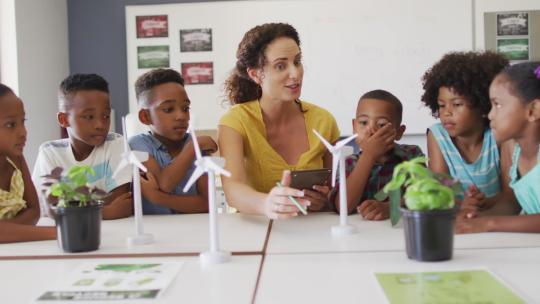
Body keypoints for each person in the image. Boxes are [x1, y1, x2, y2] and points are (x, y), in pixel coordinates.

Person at [219, 23, 340, 219]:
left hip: (315, 231)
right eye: (281, 66)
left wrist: (325, 198)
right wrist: (266, 203)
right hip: (258, 231)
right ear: (256, 74)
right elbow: (233, 189)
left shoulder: (323, 120)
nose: (296, 73)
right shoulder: (236, 121)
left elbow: (335, 186)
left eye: (297, 61)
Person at [32, 74, 132, 220]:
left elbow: (121, 199)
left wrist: (72, 206)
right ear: (64, 119)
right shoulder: (50, 152)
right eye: (89, 117)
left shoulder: (116, 143)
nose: (100, 125)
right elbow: (53, 207)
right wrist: (105, 211)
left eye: (105, 116)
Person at [421, 51, 513, 209]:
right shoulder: (437, 136)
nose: (446, 112)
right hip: (456, 221)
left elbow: (510, 195)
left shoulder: (500, 136)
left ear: (482, 104)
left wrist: (483, 203)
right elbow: (439, 192)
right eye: (442, 105)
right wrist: (463, 205)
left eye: (457, 104)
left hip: (494, 219)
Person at [457, 62, 540, 233]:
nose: (490, 114)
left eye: (498, 105)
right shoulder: (512, 147)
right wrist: (477, 217)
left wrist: (490, 223)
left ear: (533, 110)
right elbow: (512, 202)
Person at [129, 68, 215, 214]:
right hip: (155, 232)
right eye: (169, 109)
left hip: (195, 230)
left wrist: (157, 197)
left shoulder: (196, 145)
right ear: (145, 117)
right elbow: (165, 184)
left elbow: (207, 204)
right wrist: (193, 147)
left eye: (185, 108)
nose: (181, 116)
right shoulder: (137, 145)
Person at [334, 90, 424, 220]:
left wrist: (391, 207)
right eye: (364, 122)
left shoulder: (412, 155)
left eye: (381, 124)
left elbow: (423, 194)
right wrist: (368, 156)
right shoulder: (348, 162)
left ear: (399, 132)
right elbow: (343, 207)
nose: (371, 130)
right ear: (354, 127)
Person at [0, 84, 56, 243]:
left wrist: (7, 231)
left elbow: (34, 212)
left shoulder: (16, 159)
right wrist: (59, 232)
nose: (23, 132)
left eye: (23, 121)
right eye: (11, 125)